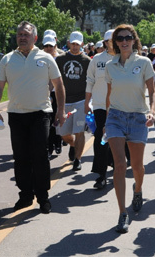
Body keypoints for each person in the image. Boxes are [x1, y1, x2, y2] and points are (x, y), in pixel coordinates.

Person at [0, 21, 66, 214]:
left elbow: (59, 85)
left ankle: (43, 197)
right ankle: (25, 196)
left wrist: (60, 111)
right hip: (16, 115)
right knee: (21, 157)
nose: (22, 37)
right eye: (20, 34)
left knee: (40, 156)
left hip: (41, 114)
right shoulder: (7, 59)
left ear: (35, 38)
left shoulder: (46, 59)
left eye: (26, 34)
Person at [105, 24, 155, 233]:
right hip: (115, 117)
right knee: (119, 164)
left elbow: (152, 92)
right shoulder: (110, 66)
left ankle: (138, 189)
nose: (124, 41)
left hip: (137, 118)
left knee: (137, 167)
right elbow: (110, 94)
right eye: (120, 38)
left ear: (134, 40)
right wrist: (105, 122)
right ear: (115, 42)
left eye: (128, 37)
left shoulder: (144, 62)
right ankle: (122, 213)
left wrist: (151, 111)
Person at [56, 31, 91, 171]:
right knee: (64, 134)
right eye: (73, 43)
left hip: (81, 101)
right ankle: (72, 145)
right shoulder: (60, 59)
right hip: (64, 101)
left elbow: (91, 81)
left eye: (78, 44)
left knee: (79, 131)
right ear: (69, 43)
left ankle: (78, 159)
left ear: (82, 44)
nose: (75, 46)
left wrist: (89, 101)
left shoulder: (87, 61)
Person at [85, 29, 114, 190]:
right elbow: (90, 80)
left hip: (119, 106)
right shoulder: (97, 60)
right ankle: (101, 175)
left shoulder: (125, 59)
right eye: (109, 40)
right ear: (104, 42)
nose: (112, 43)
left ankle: (116, 165)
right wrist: (87, 102)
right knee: (101, 138)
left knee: (117, 139)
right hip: (100, 106)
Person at [42, 30, 63, 158]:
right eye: (46, 46)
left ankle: (58, 142)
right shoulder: (38, 57)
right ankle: (49, 147)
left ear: (55, 45)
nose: (48, 48)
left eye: (51, 46)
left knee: (57, 119)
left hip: (57, 93)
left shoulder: (60, 58)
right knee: (47, 121)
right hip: (43, 94)